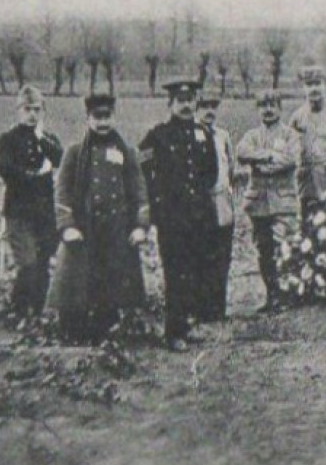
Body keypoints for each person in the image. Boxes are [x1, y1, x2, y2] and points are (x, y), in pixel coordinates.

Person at [48, 93, 150, 345]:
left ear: (114, 117)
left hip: (116, 231)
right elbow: (62, 191)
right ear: (88, 119)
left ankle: (108, 331)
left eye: (107, 117)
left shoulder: (126, 151)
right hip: (85, 230)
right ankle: (74, 334)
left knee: (113, 286)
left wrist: (141, 226)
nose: (102, 123)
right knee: (78, 286)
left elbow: (139, 190)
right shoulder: (74, 152)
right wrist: (68, 226)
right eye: (97, 117)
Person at [139, 79, 221, 350]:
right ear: (170, 104)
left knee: (197, 271)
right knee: (176, 272)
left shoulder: (202, 134)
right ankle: (173, 331)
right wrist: (160, 206)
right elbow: (146, 172)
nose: (186, 106)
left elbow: (211, 173)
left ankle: (188, 324)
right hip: (172, 217)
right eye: (180, 101)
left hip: (199, 215)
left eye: (190, 100)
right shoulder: (157, 136)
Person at [0, 85, 65, 318]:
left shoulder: (47, 139)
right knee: (28, 263)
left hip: (44, 213)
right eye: (27, 109)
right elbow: (6, 170)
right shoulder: (7, 140)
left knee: (43, 262)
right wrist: (34, 175)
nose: (32, 114)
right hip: (18, 212)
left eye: (37, 109)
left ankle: (37, 311)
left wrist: (41, 139)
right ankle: (19, 309)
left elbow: (60, 159)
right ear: (18, 111)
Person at [236, 90, 301, 314]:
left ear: (280, 108)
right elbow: (242, 152)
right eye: (263, 105)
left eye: (272, 105)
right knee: (263, 250)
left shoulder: (290, 135)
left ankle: (287, 295)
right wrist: (269, 156)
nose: (268, 109)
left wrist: (262, 162)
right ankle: (271, 295)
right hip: (258, 203)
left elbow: (291, 159)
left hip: (283, 202)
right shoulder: (252, 135)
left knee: (284, 249)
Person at [288, 65, 326, 214]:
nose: (314, 89)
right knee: (307, 227)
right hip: (306, 185)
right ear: (304, 87)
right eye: (309, 84)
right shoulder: (297, 117)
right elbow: (288, 150)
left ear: (325, 86)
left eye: (318, 84)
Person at [198, 94, 238, 322]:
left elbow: (230, 168)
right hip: (203, 202)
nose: (209, 111)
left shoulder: (222, 136)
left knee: (223, 254)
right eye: (204, 106)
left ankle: (218, 308)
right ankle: (202, 309)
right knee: (203, 253)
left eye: (213, 106)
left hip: (222, 200)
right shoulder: (193, 135)